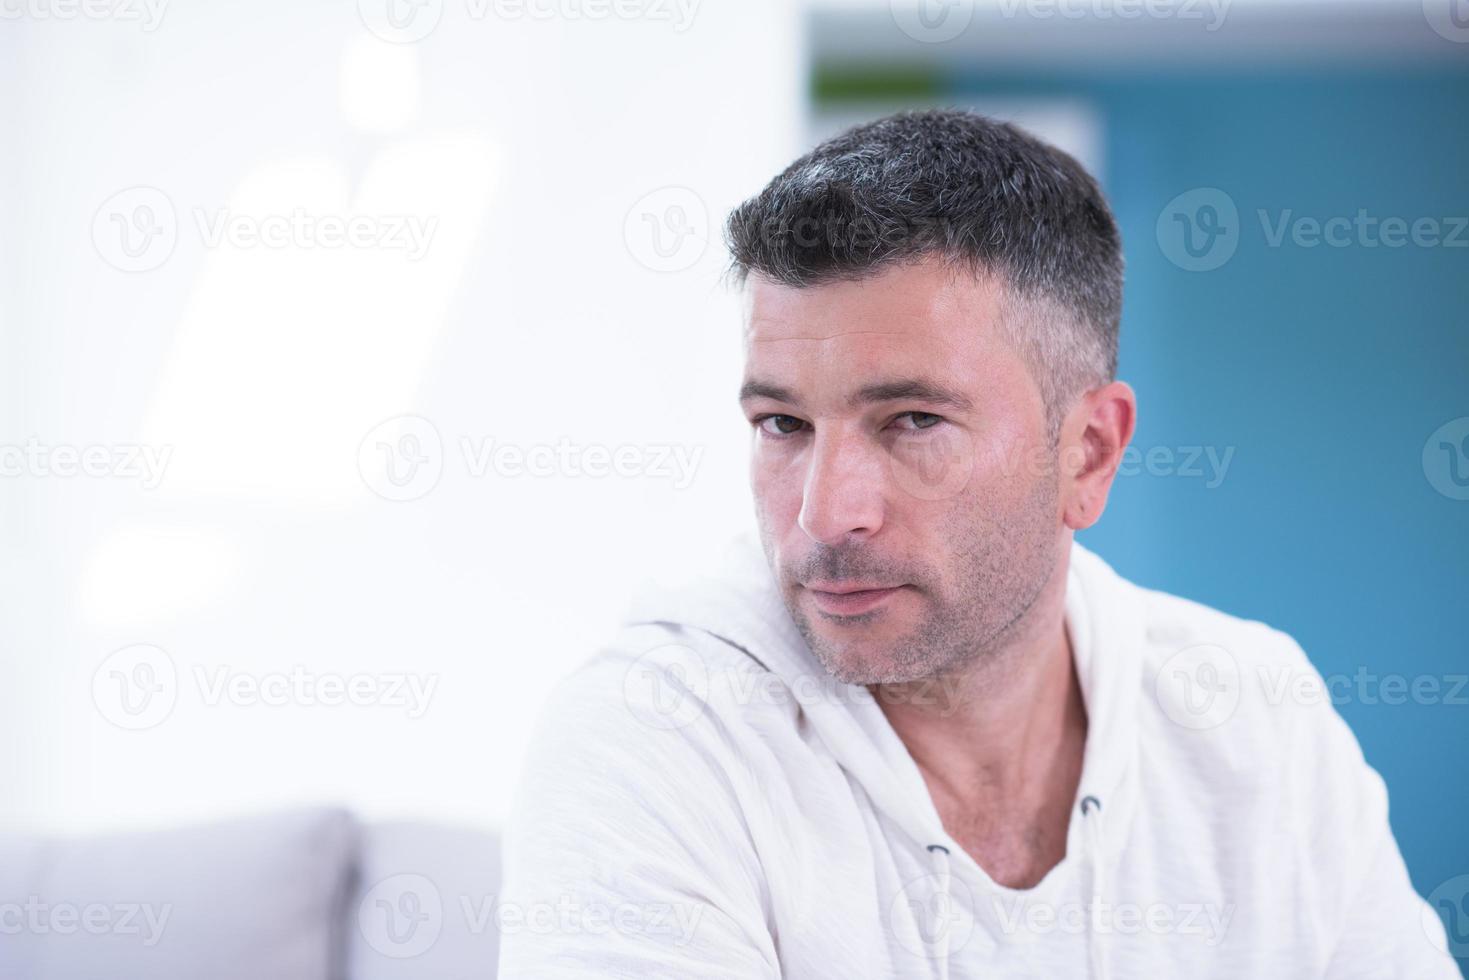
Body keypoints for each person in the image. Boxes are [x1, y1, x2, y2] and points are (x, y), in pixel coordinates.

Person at [497, 108, 1458, 978]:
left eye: (912, 421)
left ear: (1087, 453)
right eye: (783, 425)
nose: (824, 515)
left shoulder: (1253, 717)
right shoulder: (655, 738)